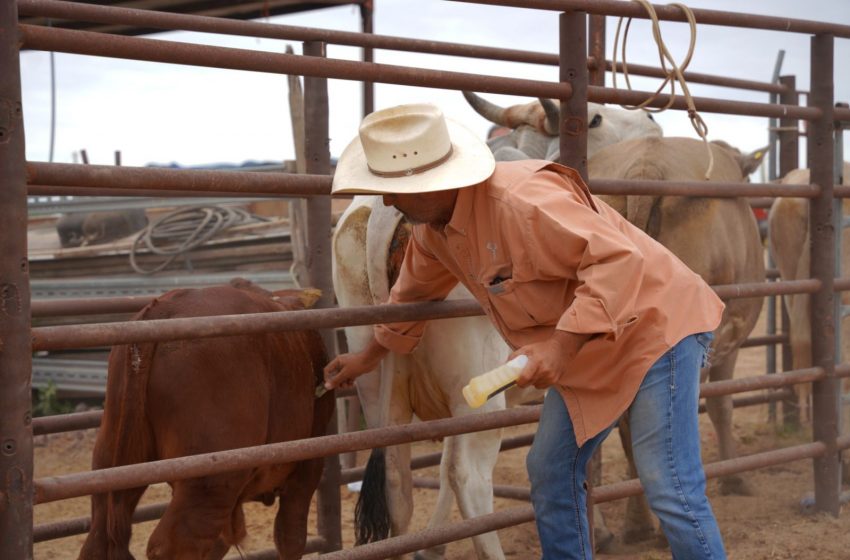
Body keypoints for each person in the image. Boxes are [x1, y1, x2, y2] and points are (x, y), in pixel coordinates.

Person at [324, 102, 728, 560]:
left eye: (398, 190)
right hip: (589, 345)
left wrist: (559, 345)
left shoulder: (523, 200)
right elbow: (411, 298)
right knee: (550, 469)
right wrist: (367, 358)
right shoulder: (434, 232)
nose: (390, 203)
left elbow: (617, 262)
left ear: (436, 181)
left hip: (654, 327)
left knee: (667, 483)